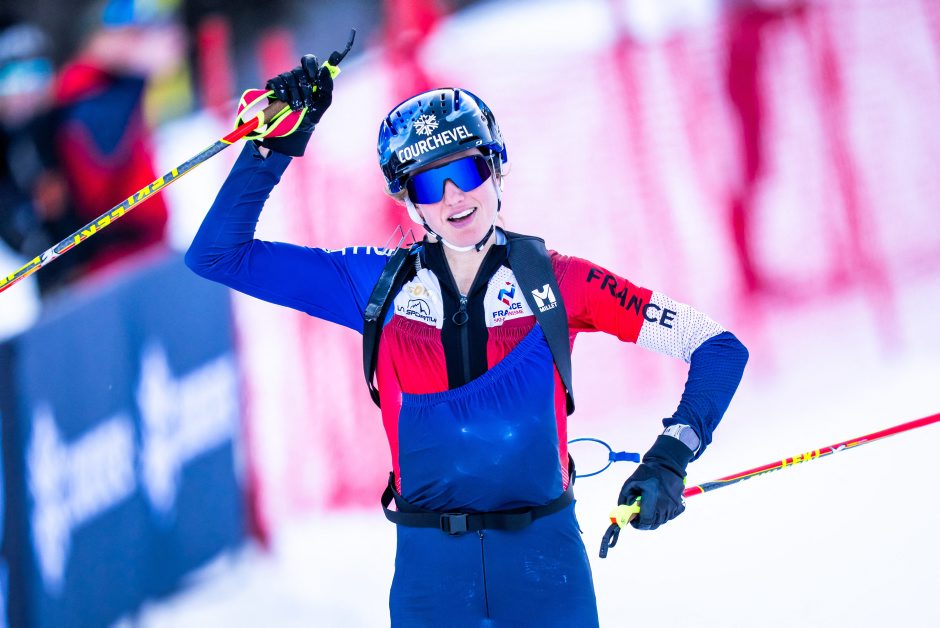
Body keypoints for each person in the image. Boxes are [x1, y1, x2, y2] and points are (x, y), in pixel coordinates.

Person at [185, 54, 749, 626]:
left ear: (497, 170)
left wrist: (671, 456)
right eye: (431, 182)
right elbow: (217, 255)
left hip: (546, 566)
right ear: (408, 198)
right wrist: (275, 144)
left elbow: (716, 346)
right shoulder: (373, 285)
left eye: (469, 171)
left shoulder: (561, 281)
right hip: (431, 577)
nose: (455, 197)